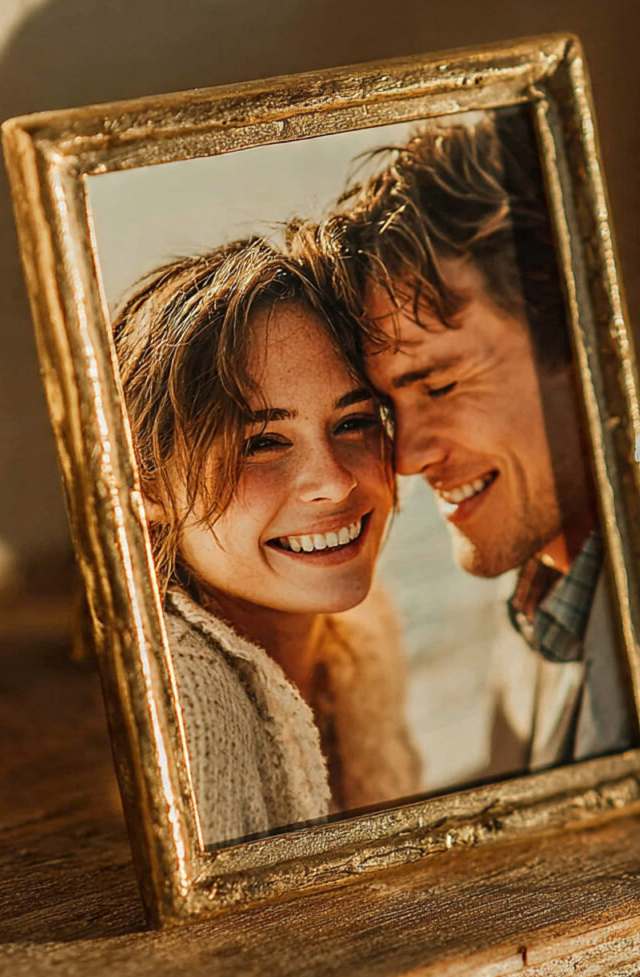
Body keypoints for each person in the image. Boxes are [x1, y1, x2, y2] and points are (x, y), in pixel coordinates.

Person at [322, 112, 636, 772]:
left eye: (438, 385)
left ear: (588, 348)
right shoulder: (536, 592)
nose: (405, 459)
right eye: (383, 407)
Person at [111, 237, 421, 847]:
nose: (334, 482)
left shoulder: (362, 633)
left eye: (353, 423)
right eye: (263, 443)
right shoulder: (185, 705)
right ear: (144, 482)